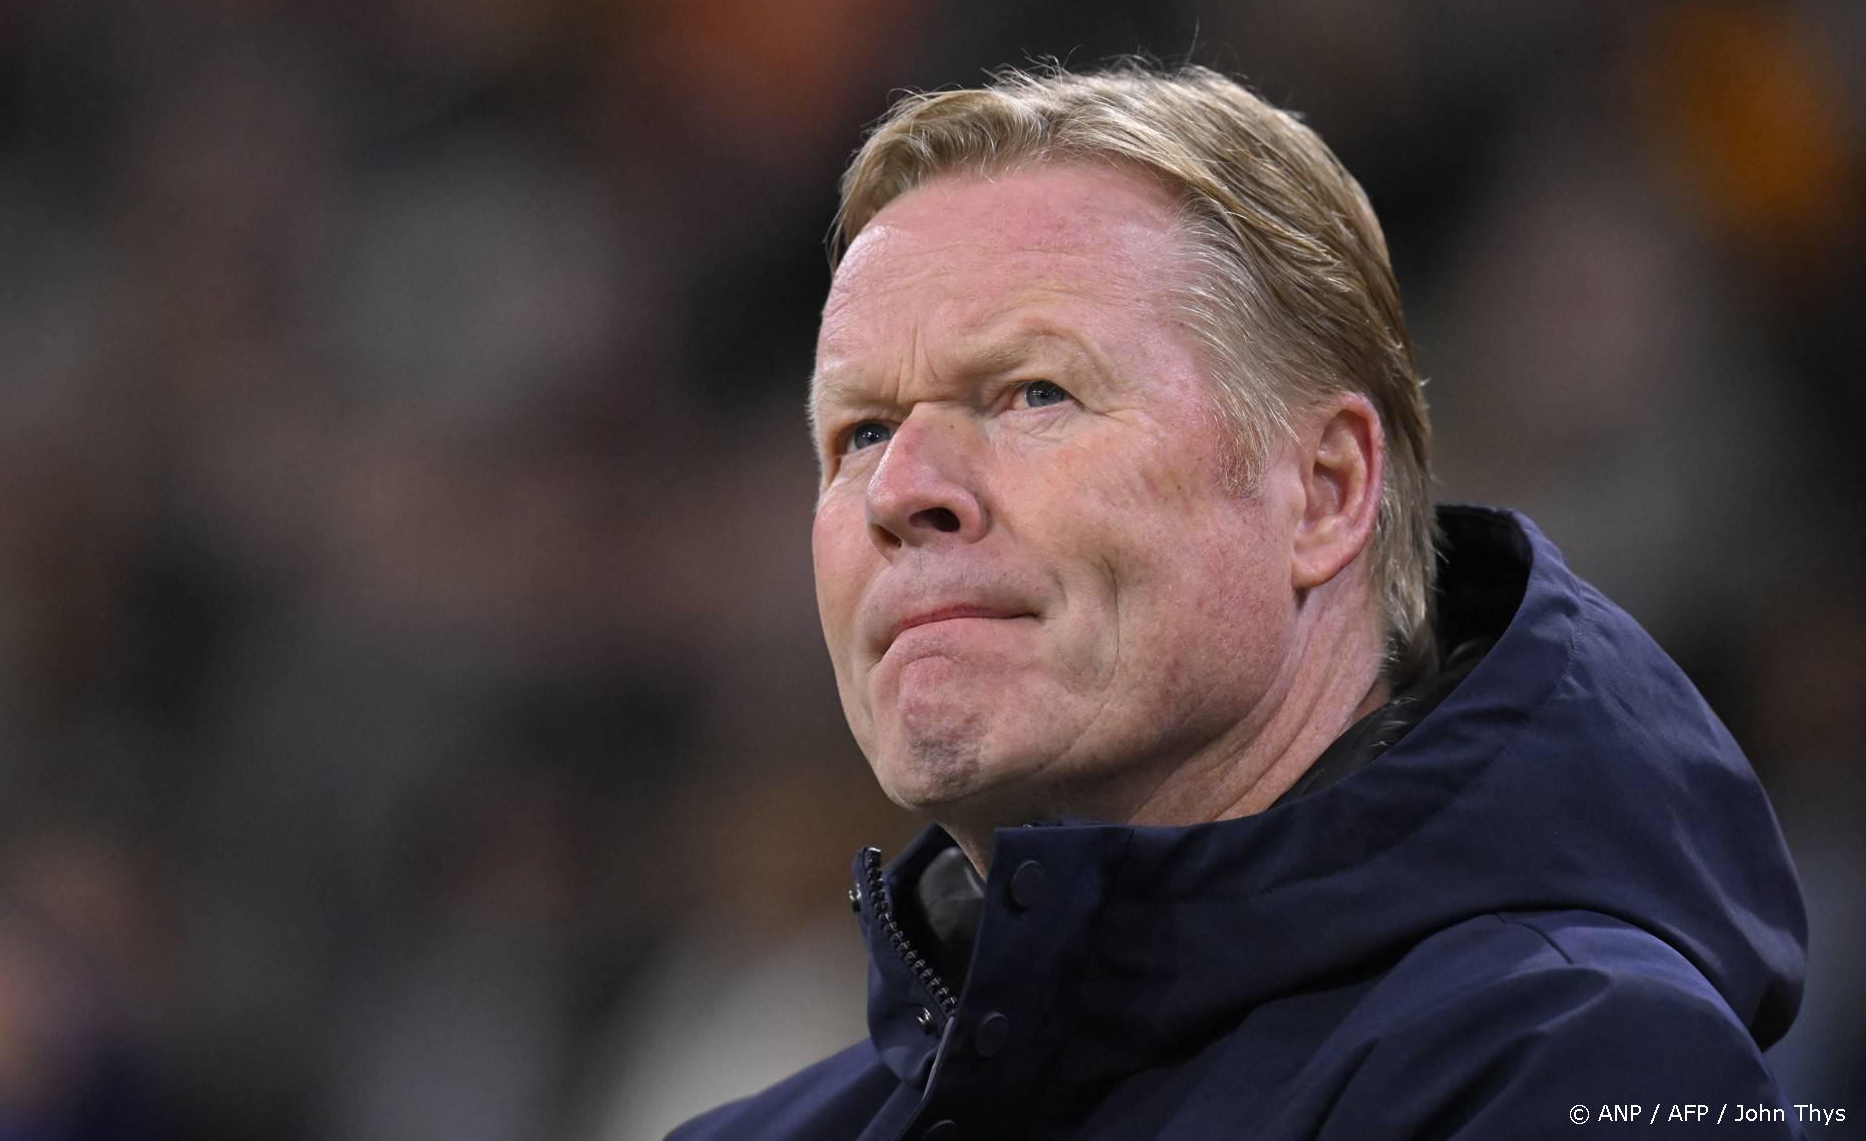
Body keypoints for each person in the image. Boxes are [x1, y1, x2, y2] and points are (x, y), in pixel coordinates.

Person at [669, 64, 1806, 1140]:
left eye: (1031, 392)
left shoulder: (1574, 1064)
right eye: (861, 429)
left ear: (1324, 491)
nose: (901, 490)